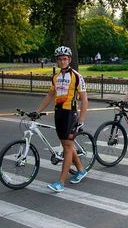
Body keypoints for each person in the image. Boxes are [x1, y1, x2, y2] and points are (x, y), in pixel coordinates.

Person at [34, 46, 88, 192]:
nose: (62, 61)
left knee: (67, 147)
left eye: (65, 59)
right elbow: (50, 95)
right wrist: (37, 111)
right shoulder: (56, 77)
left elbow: (84, 99)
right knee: (67, 145)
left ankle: (61, 182)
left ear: (69, 60)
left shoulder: (77, 76)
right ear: (57, 61)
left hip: (70, 114)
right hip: (59, 114)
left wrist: (81, 120)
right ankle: (81, 170)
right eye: (60, 59)